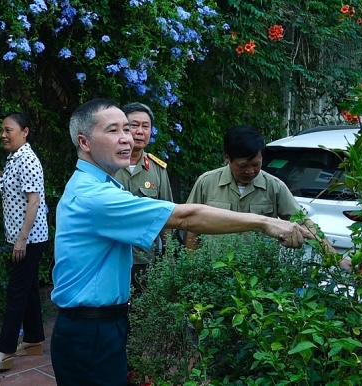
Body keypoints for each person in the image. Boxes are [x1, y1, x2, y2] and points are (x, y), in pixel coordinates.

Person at [50, 98, 314, 386]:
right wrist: (265, 222)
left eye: (128, 129)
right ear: (84, 142)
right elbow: (186, 218)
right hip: (90, 333)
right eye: (114, 130)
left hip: (98, 327)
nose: (127, 138)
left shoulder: (99, 187)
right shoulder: (95, 197)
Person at [184, 125, 340, 257]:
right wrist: (193, 268)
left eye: (256, 165)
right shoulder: (206, 183)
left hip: (258, 277)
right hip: (214, 274)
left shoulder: (274, 186)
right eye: (243, 166)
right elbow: (191, 227)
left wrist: (334, 257)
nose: (250, 171)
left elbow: (304, 223)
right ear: (227, 158)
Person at [0, 113, 49, 370]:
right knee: (30, 288)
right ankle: (34, 341)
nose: (2, 134)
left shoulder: (28, 161)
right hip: (23, 238)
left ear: (25, 132)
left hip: (29, 239)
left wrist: (21, 240)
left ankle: (5, 351)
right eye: (1, 129)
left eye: (8, 130)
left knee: (16, 292)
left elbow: (34, 202)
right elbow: (9, 182)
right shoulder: (16, 159)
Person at [113, 102, 173, 291]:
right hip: (111, 255)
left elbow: (168, 216)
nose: (140, 131)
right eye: (134, 125)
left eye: (145, 126)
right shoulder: (107, 165)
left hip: (145, 258)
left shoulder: (157, 170)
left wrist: (169, 257)